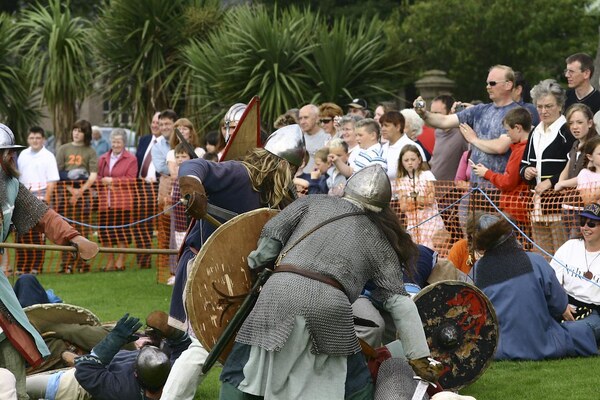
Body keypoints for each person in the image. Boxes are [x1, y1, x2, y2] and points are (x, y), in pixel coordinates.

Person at [220, 165, 440, 399]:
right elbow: (399, 302)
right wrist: (419, 356)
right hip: (330, 306)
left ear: (348, 187)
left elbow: (267, 246)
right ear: (383, 207)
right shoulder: (379, 239)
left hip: (277, 291)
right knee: (357, 386)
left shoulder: (311, 203)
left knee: (240, 370)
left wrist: (255, 262)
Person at [0, 123, 98, 399]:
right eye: (5, 153)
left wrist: (74, 238)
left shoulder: (11, 187)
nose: (10, 158)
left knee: (13, 339)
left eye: (10, 153)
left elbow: (44, 216)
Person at [471, 213, 597, 360]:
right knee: (582, 329)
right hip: (543, 344)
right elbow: (559, 305)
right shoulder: (535, 261)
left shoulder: (476, 271)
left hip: (498, 349)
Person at [414, 65, 519, 187]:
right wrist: (424, 114)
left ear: (508, 85)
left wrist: (473, 139)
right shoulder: (479, 110)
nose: (488, 87)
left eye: (492, 83)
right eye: (487, 83)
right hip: (475, 191)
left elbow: (501, 147)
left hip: (501, 192)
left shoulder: (517, 113)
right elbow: (444, 121)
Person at [520, 79, 575, 255]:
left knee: (561, 255)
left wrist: (550, 182)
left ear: (559, 106)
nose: (543, 111)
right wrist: (526, 171)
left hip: (560, 208)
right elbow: (523, 164)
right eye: (540, 106)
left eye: (549, 106)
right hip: (536, 208)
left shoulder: (567, 131)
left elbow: (575, 166)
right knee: (542, 257)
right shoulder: (535, 132)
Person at [471, 107, 532, 235]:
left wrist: (486, 173)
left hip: (515, 210)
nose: (507, 134)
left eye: (508, 130)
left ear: (518, 128)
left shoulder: (521, 151)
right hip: (517, 209)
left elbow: (508, 182)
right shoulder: (521, 148)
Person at [550, 203, 600, 346]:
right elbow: (552, 282)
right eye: (582, 223)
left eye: (591, 224)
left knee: (576, 330)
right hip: (564, 305)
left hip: (594, 312)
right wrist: (562, 306)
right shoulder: (570, 246)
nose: (585, 228)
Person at [55, 119, 98, 273]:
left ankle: (82, 263)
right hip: (65, 194)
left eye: (80, 131)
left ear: (86, 133)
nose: (76, 133)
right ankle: (66, 265)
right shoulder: (63, 149)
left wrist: (80, 192)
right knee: (65, 230)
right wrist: (70, 190)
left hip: (84, 195)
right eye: (74, 130)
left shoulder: (91, 151)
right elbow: (57, 173)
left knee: (82, 230)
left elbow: (93, 176)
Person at [16, 126, 60, 274]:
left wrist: (45, 201)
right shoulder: (22, 154)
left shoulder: (49, 156)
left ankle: (36, 267)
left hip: (40, 199)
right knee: (21, 235)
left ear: (43, 140)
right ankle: (22, 268)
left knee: (37, 236)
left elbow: (52, 181)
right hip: (22, 200)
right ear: (28, 139)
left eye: (38, 138)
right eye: (32, 138)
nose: (35, 141)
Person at [554, 104, 600, 237]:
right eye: (571, 123)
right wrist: (561, 182)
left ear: (590, 123)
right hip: (569, 205)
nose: (575, 127)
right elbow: (568, 167)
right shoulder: (575, 144)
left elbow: (586, 174)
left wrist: (563, 184)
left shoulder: (595, 146)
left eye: (579, 122)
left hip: (584, 209)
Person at [96, 128, 138, 272]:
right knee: (105, 234)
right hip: (104, 202)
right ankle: (109, 262)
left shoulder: (131, 159)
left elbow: (132, 180)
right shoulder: (102, 158)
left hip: (122, 202)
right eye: (114, 141)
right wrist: (103, 181)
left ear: (124, 143)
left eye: (119, 142)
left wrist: (112, 181)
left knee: (122, 234)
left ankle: (120, 262)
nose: (116, 144)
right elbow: (98, 178)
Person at [396, 145, 444, 249]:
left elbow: (430, 200)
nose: (410, 162)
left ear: (419, 160)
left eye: (413, 159)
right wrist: (420, 199)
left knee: (433, 250)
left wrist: (410, 199)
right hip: (413, 224)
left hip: (431, 222)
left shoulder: (427, 175)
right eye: (406, 160)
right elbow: (403, 207)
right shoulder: (401, 180)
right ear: (401, 162)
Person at [134, 111, 161, 269]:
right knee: (140, 225)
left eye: (158, 122)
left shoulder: (167, 144)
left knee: (158, 225)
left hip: (157, 187)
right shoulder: (144, 140)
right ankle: (143, 260)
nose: (155, 125)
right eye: (153, 122)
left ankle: (165, 260)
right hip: (140, 187)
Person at [380, 111, 426, 182]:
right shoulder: (382, 148)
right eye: (382, 125)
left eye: (386, 125)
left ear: (398, 127)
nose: (383, 129)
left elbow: (424, 175)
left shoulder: (413, 146)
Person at [298, 104, 330, 174]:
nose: (302, 122)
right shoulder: (298, 138)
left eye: (306, 117)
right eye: (300, 118)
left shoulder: (327, 137)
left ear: (317, 118)